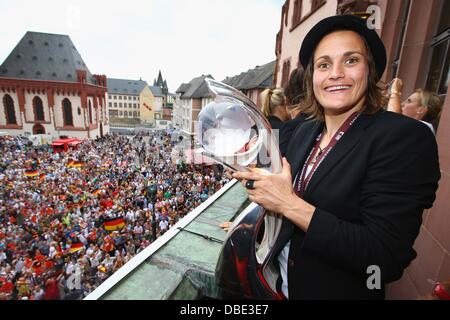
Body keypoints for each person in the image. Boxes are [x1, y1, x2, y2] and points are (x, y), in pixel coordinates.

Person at [233, 14, 440, 299]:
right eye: (324, 64)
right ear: (313, 78)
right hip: (279, 288)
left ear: (370, 71)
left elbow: (385, 256)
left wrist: (289, 203)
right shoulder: (305, 132)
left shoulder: (404, 138)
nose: (335, 73)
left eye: (351, 60)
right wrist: (252, 220)